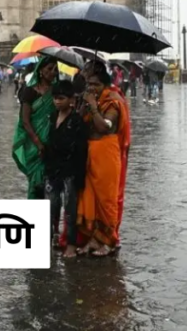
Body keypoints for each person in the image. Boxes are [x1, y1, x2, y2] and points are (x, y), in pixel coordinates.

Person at [76, 64, 125, 257]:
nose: (91, 88)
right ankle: (95, 239)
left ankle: (110, 241)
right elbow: (80, 124)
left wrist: (94, 108)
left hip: (106, 154)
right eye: (89, 84)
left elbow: (105, 126)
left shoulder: (113, 102)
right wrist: (83, 106)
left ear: (105, 85)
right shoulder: (90, 100)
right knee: (91, 200)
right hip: (90, 154)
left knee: (106, 200)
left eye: (95, 84)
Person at [44, 79, 88, 259]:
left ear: (71, 100)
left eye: (61, 98)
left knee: (70, 209)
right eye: (55, 98)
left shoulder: (77, 121)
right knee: (50, 206)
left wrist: (80, 175)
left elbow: (81, 150)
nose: (57, 102)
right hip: (52, 169)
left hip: (69, 170)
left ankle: (70, 244)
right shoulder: (52, 116)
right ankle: (49, 239)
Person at [12, 57, 58, 199]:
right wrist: (38, 144)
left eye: (55, 69)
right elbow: (25, 121)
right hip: (34, 143)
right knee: (36, 182)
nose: (53, 72)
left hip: (52, 140)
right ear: (40, 71)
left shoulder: (57, 92)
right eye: (49, 69)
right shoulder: (29, 92)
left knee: (51, 184)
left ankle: (50, 217)